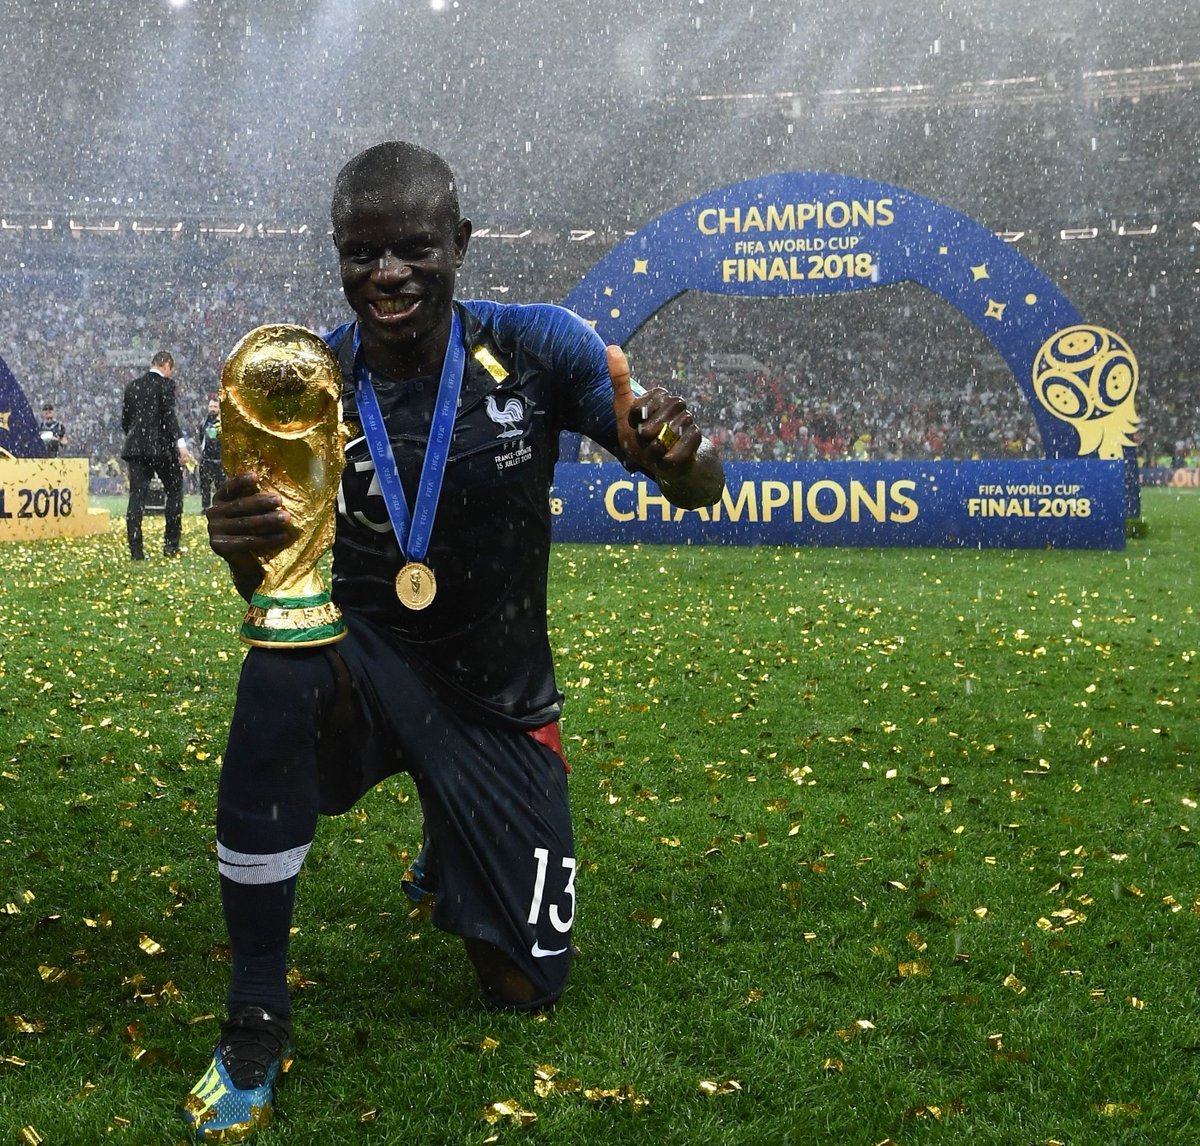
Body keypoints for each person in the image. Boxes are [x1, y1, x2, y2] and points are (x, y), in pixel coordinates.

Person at [184, 140, 725, 1142]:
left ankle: (452, 834)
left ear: (461, 244)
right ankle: (256, 1016)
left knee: (521, 991)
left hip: (495, 698)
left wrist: (686, 460)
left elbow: (696, 483)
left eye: (414, 249)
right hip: (365, 669)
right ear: (339, 256)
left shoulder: (539, 347)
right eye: (362, 254)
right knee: (276, 666)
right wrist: (236, 550)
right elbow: (271, 582)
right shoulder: (305, 384)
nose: (387, 275)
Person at [120, 350, 192, 559]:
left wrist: (136, 439)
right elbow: (169, 416)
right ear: (167, 365)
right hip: (161, 449)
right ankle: (171, 544)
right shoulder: (166, 385)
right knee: (175, 491)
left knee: (137, 498)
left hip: (136, 448)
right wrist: (180, 444)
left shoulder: (132, 386)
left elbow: (125, 421)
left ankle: (136, 550)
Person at [197, 393, 223, 511]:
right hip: (206, 459)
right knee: (205, 485)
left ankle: (220, 505)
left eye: (215, 407)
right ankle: (205, 506)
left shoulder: (223, 423)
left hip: (219, 459)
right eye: (211, 407)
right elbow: (201, 438)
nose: (212, 409)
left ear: (219, 408)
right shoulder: (204, 423)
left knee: (220, 485)